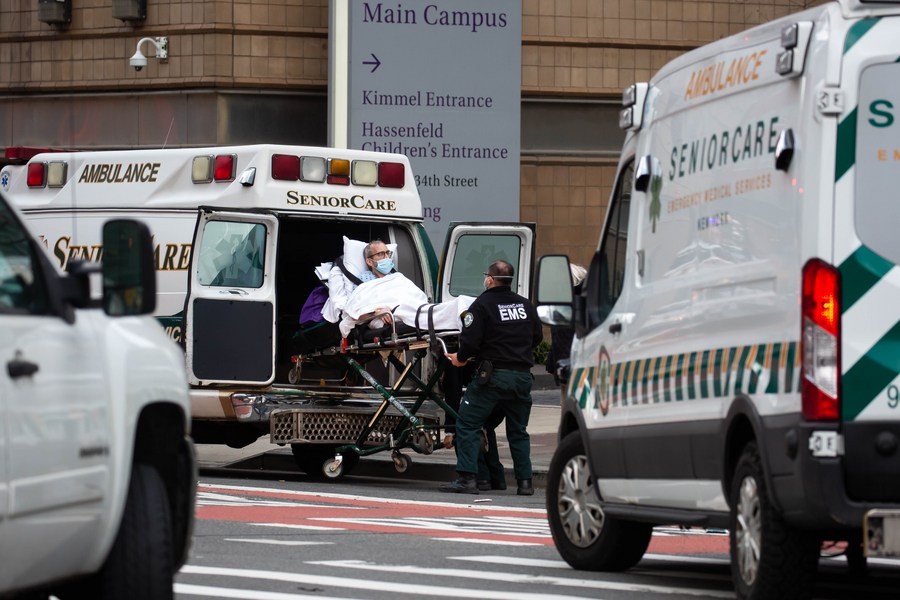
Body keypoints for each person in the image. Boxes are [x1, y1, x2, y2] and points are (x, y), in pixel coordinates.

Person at [440, 259, 543, 495]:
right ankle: (525, 483)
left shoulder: (481, 305)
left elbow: (470, 342)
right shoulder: (526, 305)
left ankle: (467, 478)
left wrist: (460, 358)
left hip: (493, 377)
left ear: (489, 279)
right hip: (522, 378)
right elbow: (536, 338)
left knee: (466, 422)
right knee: (518, 431)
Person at [338, 240, 428, 337]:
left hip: (409, 313)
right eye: (381, 254)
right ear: (369, 261)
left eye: (387, 253)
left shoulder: (397, 278)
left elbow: (415, 298)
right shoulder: (363, 282)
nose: (386, 257)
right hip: (387, 319)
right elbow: (356, 311)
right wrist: (377, 313)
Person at [545, 263, 586, 404]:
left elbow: (561, 339)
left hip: (570, 361)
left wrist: (556, 365)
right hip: (575, 360)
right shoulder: (582, 302)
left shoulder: (565, 305)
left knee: (569, 398)